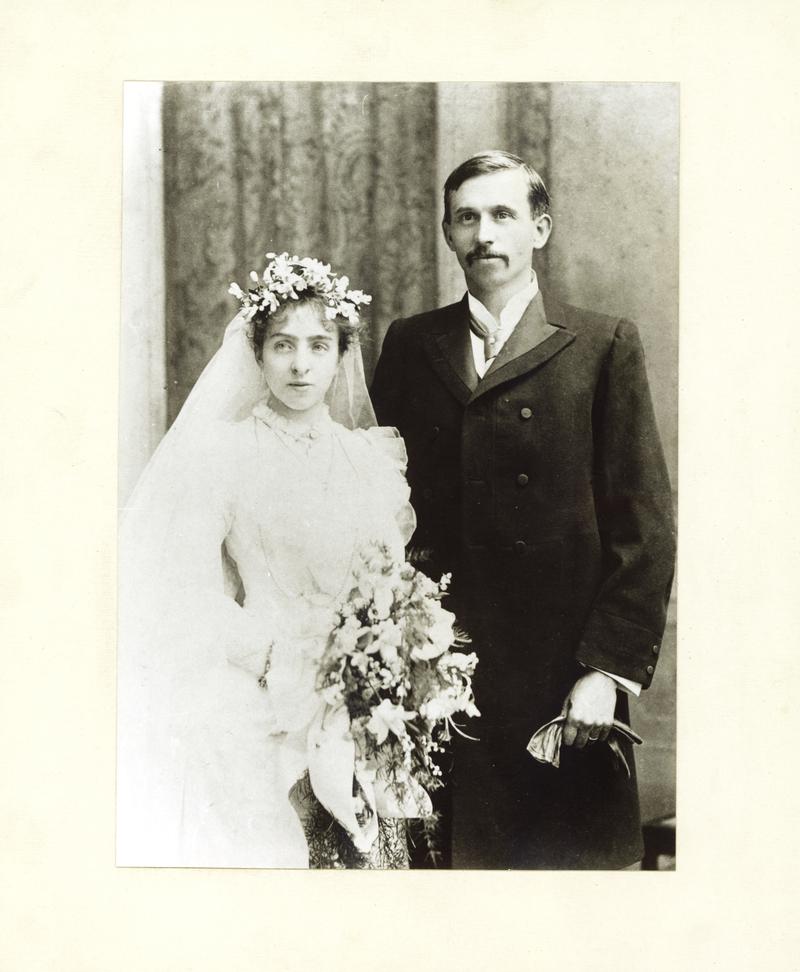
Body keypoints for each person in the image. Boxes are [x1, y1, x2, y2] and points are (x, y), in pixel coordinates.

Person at [370, 151, 676, 869]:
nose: (486, 234)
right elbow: (372, 509)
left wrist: (605, 672)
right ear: (447, 233)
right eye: (467, 217)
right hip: (440, 687)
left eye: (504, 215)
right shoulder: (410, 345)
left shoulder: (601, 344)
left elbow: (646, 528)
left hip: (564, 695)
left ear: (540, 228)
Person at [117, 253, 416, 868]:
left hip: (362, 701)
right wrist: (278, 655)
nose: (301, 363)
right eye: (282, 345)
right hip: (260, 698)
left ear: (341, 355)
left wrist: (378, 661)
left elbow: (389, 582)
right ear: (258, 354)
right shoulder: (221, 454)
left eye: (318, 345)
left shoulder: (369, 460)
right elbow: (184, 588)